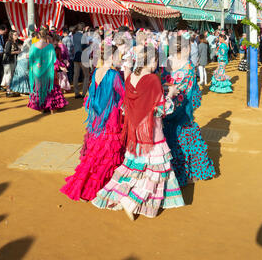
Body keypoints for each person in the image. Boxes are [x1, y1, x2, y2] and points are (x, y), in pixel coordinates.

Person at [92, 45, 184, 220]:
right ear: (152, 60)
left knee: (136, 167)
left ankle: (121, 196)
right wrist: (170, 93)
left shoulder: (130, 78)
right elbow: (160, 109)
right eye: (156, 60)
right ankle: (133, 200)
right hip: (151, 130)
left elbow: (129, 105)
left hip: (135, 130)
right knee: (157, 169)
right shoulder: (153, 79)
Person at [60, 40, 125, 202]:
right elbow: (124, 96)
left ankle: (84, 184)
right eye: (119, 56)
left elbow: (92, 95)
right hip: (111, 119)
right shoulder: (114, 75)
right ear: (113, 56)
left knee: (95, 153)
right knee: (108, 153)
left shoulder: (96, 72)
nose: (121, 59)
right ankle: (101, 186)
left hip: (97, 118)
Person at [161, 37, 215, 186]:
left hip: (164, 107)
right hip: (182, 110)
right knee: (187, 140)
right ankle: (188, 174)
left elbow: (160, 83)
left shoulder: (164, 63)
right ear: (184, 49)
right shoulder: (189, 67)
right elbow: (192, 93)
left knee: (166, 140)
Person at [28, 29, 68, 114]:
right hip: (48, 71)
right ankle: (52, 109)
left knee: (39, 89)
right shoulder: (49, 46)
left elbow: (30, 59)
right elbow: (54, 60)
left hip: (37, 71)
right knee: (50, 88)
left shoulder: (33, 46)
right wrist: (62, 66)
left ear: (38, 36)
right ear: (46, 36)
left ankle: (42, 108)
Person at [72, 23, 90, 99]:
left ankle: (76, 93)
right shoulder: (83, 36)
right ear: (83, 28)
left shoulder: (74, 35)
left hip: (76, 57)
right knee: (86, 75)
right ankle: (83, 93)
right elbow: (85, 47)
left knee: (76, 75)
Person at [1, 30, 21, 96]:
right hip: (7, 61)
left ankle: (9, 89)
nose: (16, 36)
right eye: (15, 35)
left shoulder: (15, 42)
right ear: (11, 35)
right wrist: (16, 52)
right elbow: (7, 52)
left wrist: (18, 51)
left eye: (17, 34)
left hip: (12, 60)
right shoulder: (9, 42)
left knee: (11, 75)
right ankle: (8, 91)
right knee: (8, 76)